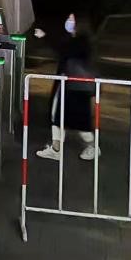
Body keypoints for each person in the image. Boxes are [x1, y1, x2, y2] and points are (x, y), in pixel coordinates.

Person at [35, 12, 98, 161]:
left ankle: (92, 147)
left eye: (71, 19)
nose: (68, 21)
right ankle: (56, 148)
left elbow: (62, 50)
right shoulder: (78, 40)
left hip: (74, 86)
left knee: (75, 120)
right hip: (71, 85)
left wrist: (45, 37)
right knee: (60, 117)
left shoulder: (80, 42)